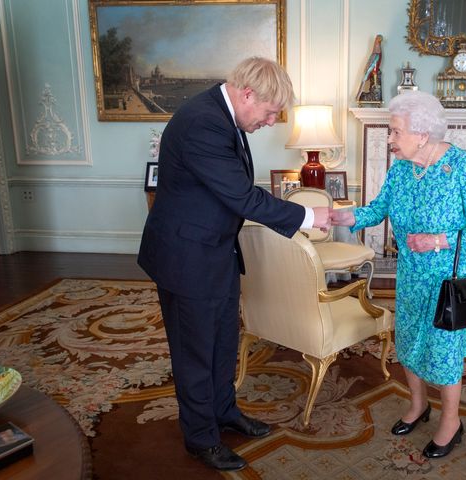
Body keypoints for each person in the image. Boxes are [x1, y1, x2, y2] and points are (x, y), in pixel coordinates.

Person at [137, 57, 331, 472]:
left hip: (216, 251)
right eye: (269, 111)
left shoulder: (224, 116)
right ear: (247, 94)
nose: (270, 120)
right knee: (195, 352)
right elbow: (242, 196)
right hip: (187, 258)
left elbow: (234, 190)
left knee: (223, 339)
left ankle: (224, 412)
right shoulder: (203, 123)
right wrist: (309, 216)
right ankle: (201, 438)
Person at [330, 90, 466, 459]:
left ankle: (451, 421)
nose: (389, 139)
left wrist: (439, 240)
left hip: (448, 279)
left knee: (444, 351)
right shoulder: (401, 170)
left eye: (395, 132)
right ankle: (418, 405)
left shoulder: (462, 167)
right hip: (410, 276)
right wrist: (348, 217)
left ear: (422, 134)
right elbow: (379, 209)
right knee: (408, 342)